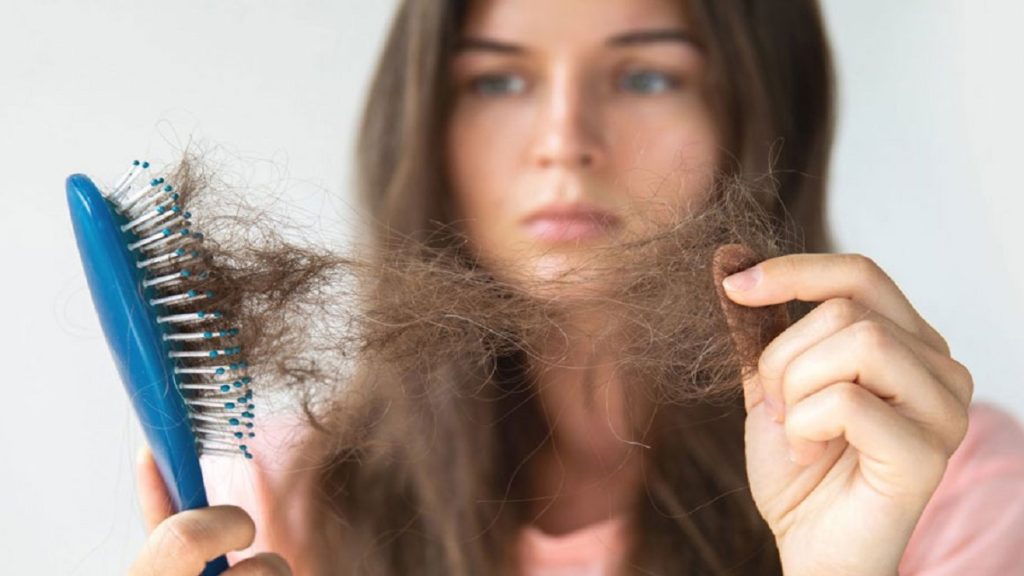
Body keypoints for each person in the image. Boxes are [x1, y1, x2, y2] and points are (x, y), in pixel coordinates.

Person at [128, 0, 1024, 574]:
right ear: (426, 126)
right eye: (498, 80)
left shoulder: (923, 476)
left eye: (646, 75)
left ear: (761, 115)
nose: (564, 139)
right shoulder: (286, 496)